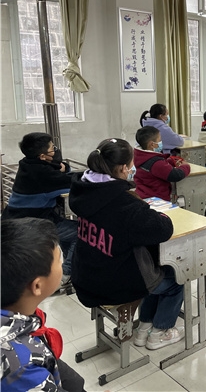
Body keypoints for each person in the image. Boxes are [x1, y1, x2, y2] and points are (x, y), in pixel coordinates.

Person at [69, 138, 185, 350]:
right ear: (123, 168)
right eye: (132, 165)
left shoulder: (84, 190)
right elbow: (163, 229)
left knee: (155, 270)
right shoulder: (124, 204)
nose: (133, 169)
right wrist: (156, 214)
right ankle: (159, 331)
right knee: (177, 280)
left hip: (85, 276)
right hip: (113, 285)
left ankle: (144, 326)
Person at [1, 218, 85, 392]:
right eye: (59, 260)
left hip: (40, 355)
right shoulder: (21, 369)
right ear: (37, 286)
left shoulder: (18, 309)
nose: (62, 262)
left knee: (74, 381)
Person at [1, 132, 77, 287]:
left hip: (15, 218)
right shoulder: (43, 176)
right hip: (27, 225)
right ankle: (65, 275)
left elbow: (56, 168)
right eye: (52, 149)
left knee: (68, 232)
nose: (55, 151)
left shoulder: (27, 164)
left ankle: (65, 268)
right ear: (42, 156)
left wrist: (64, 167)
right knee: (81, 232)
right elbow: (73, 182)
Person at [134, 126, 190, 201]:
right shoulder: (156, 163)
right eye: (159, 140)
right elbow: (175, 175)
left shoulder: (139, 156)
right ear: (152, 144)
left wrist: (170, 161)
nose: (161, 142)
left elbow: (158, 168)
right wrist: (185, 166)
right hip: (157, 198)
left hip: (142, 194)